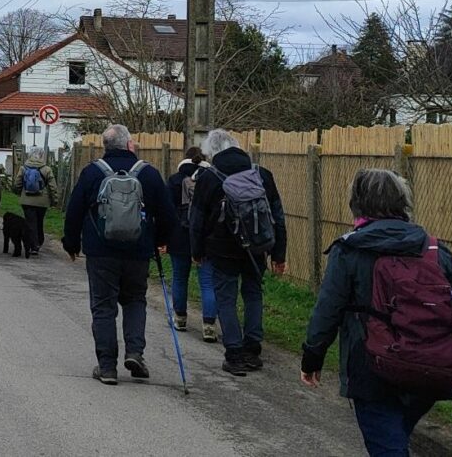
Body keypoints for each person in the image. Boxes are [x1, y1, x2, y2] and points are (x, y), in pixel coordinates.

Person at [301, 169, 452, 457]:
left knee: (388, 447)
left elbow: (327, 311)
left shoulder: (350, 250)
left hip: (371, 369)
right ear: (402, 203)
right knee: (394, 440)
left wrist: (312, 358)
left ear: (357, 203)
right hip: (426, 370)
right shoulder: (435, 251)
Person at [62, 124, 176, 385]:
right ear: (129, 145)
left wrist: (71, 245)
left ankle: (107, 367)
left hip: (101, 252)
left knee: (103, 307)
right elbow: (168, 215)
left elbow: (74, 210)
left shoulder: (92, 173)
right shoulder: (148, 174)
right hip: (138, 251)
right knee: (135, 300)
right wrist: (159, 242)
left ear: (105, 146)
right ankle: (135, 352)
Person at [190, 128, 287, 377]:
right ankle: (252, 350)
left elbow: (197, 219)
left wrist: (197, 250)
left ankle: (234, 353)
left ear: (211, 152)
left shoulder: (209, 178)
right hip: (257, 247)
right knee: (253, 293)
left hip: (222, 249)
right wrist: (279, 253)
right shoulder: (262, 174)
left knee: (226, 298)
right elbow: (277, 216)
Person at [166, 147, 219, 343]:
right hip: (206, 238)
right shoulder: (212, 179)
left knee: (180, 277)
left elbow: (167, 210)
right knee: (207, 282)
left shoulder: (174, 180)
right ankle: (209, 326)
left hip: (179, 236)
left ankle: (180, 318)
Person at [13, 147, 57, 256]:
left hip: (27, 200)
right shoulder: (47, 169)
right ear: (42, 155)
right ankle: (38, 242)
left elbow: (17, 184)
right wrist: (54, 200)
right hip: (42, 201)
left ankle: (34, 245)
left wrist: (20, 193)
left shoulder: (24, 168)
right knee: (39, 222)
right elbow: (53, 187)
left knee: (30, 222)